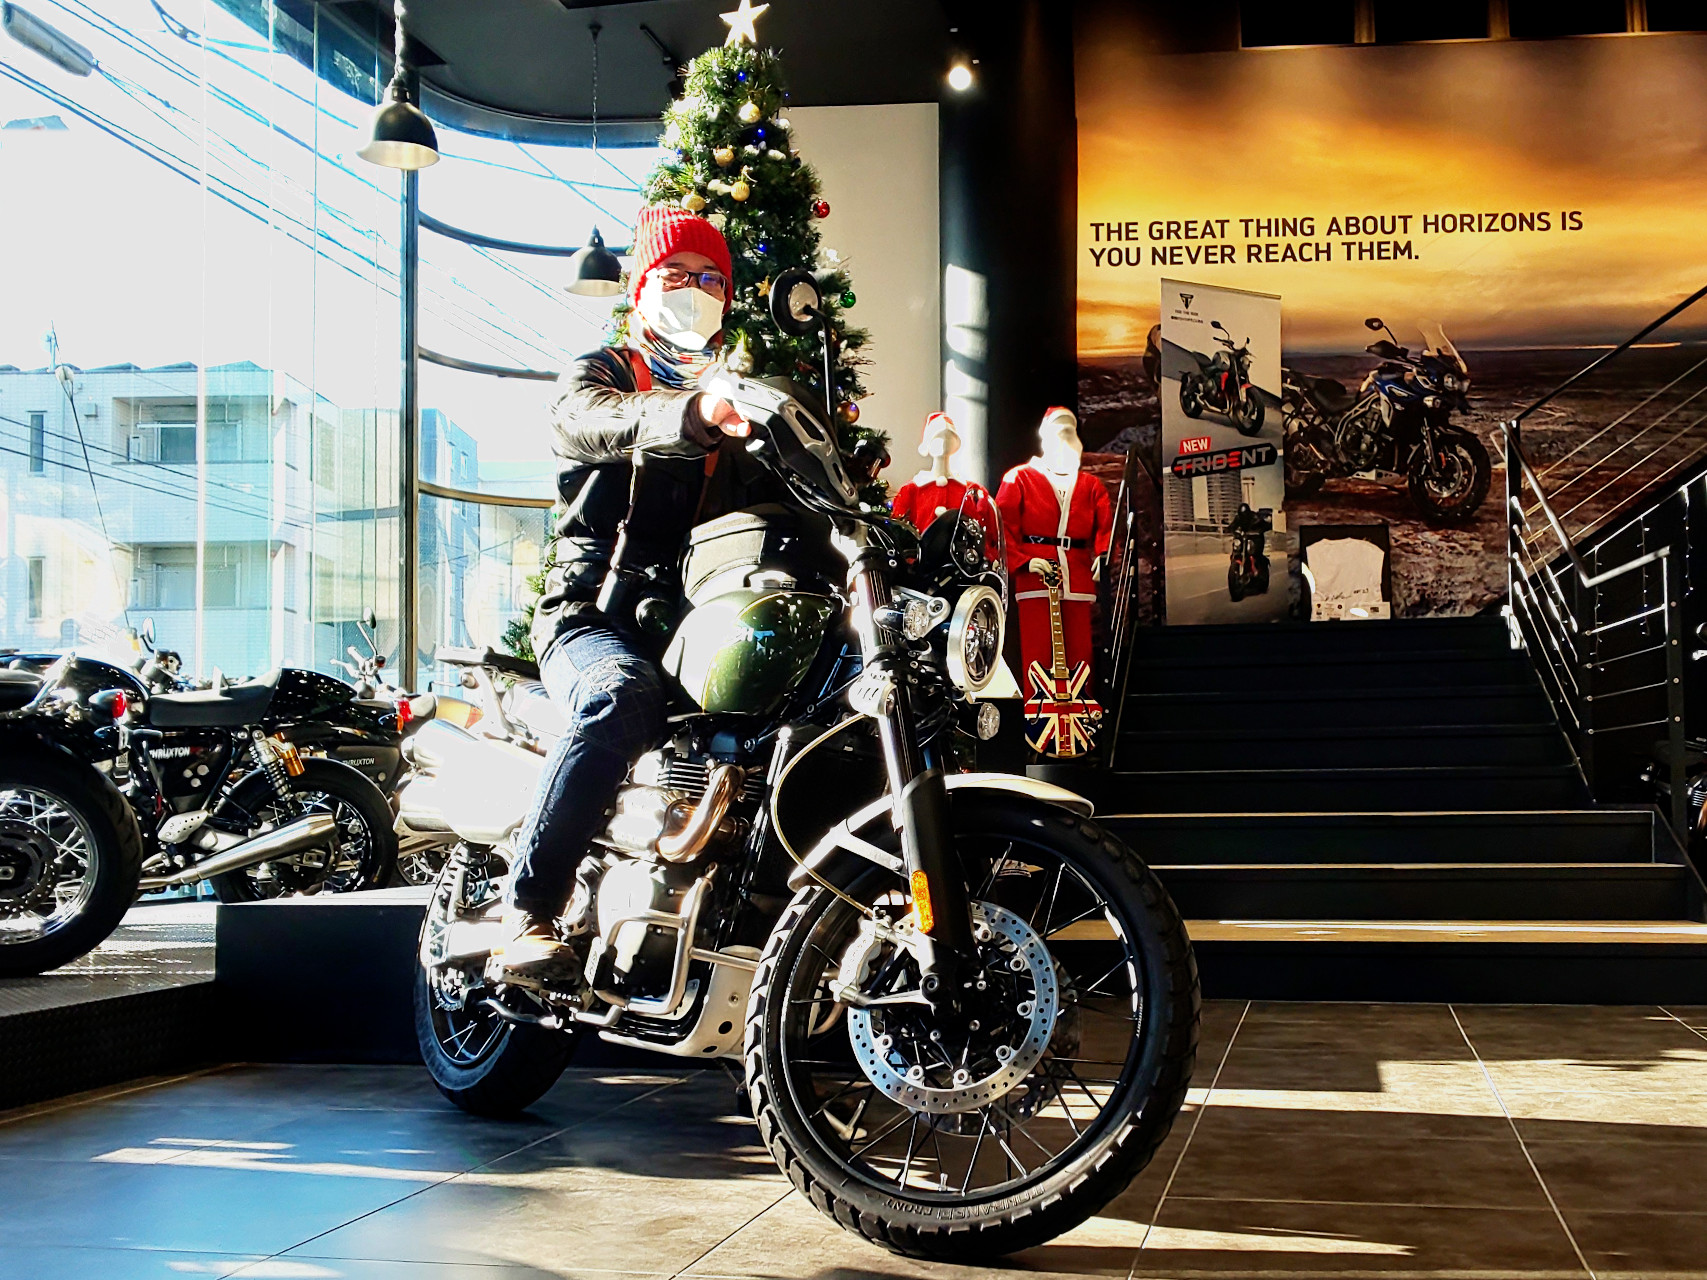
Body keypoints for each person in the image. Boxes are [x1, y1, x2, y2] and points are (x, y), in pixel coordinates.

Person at [497, 206, 756, 971]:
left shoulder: (743, 403)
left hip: (693, 625)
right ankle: (528, 911)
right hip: (589, 615)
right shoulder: (603, 373)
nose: (694, 292)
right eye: (676, 275)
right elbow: (583, 422)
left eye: (711, 280)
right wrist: (691, 411)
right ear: (641, 286)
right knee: (622, 695)